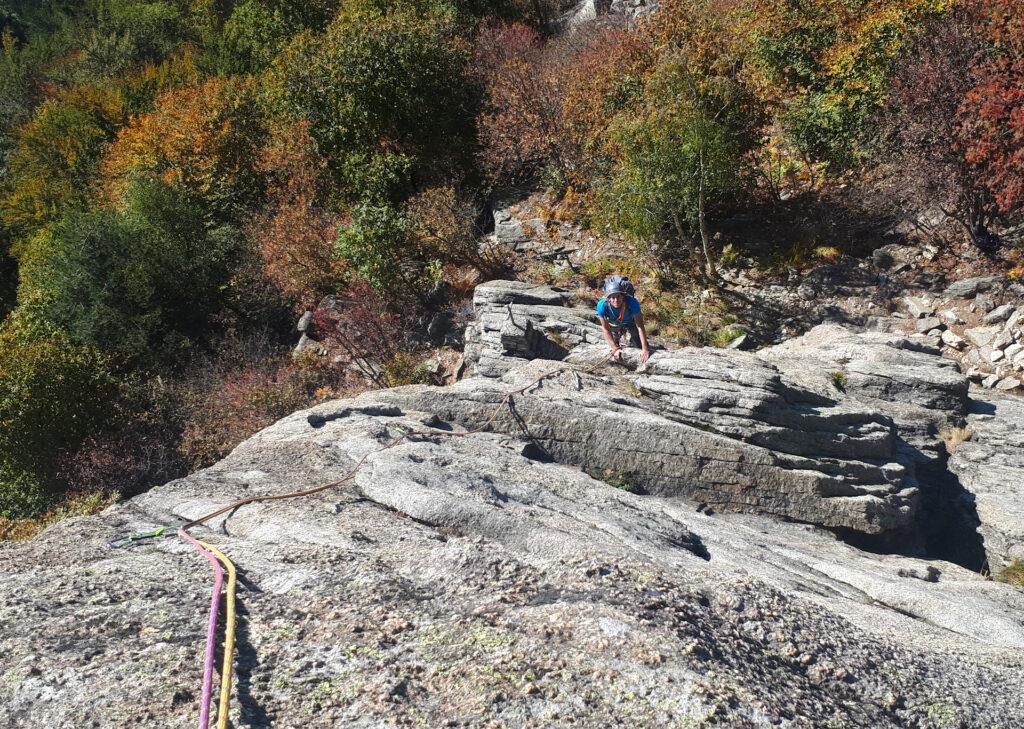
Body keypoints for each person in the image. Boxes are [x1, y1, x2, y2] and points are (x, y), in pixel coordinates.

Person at [596, 277, 650, 363]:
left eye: (618, 296)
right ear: (608, 299)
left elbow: (640, 326)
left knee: (638, 344)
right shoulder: (602, 306)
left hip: (630, 322)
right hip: (614, 324)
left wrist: (645, 349)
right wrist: (615, 349)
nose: (616, 300)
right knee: (615, 350)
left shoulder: (632, 303)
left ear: (623, 296)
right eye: (613, 297)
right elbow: (606, 329)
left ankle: (637, 343)